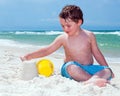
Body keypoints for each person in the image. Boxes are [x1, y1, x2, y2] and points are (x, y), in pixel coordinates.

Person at [20, 5, 114, 87]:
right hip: (71, 68)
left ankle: (93, 79)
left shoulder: (89, 36)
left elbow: (97, 53)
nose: (65, 29)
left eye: (68, 26)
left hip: (88, 68)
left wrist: (106, 67)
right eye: (62, 26)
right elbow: (47, 50)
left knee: (107, 71)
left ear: (79, 22)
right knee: (71, 68)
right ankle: (91, 80)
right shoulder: (63, 38)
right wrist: (29, 56)